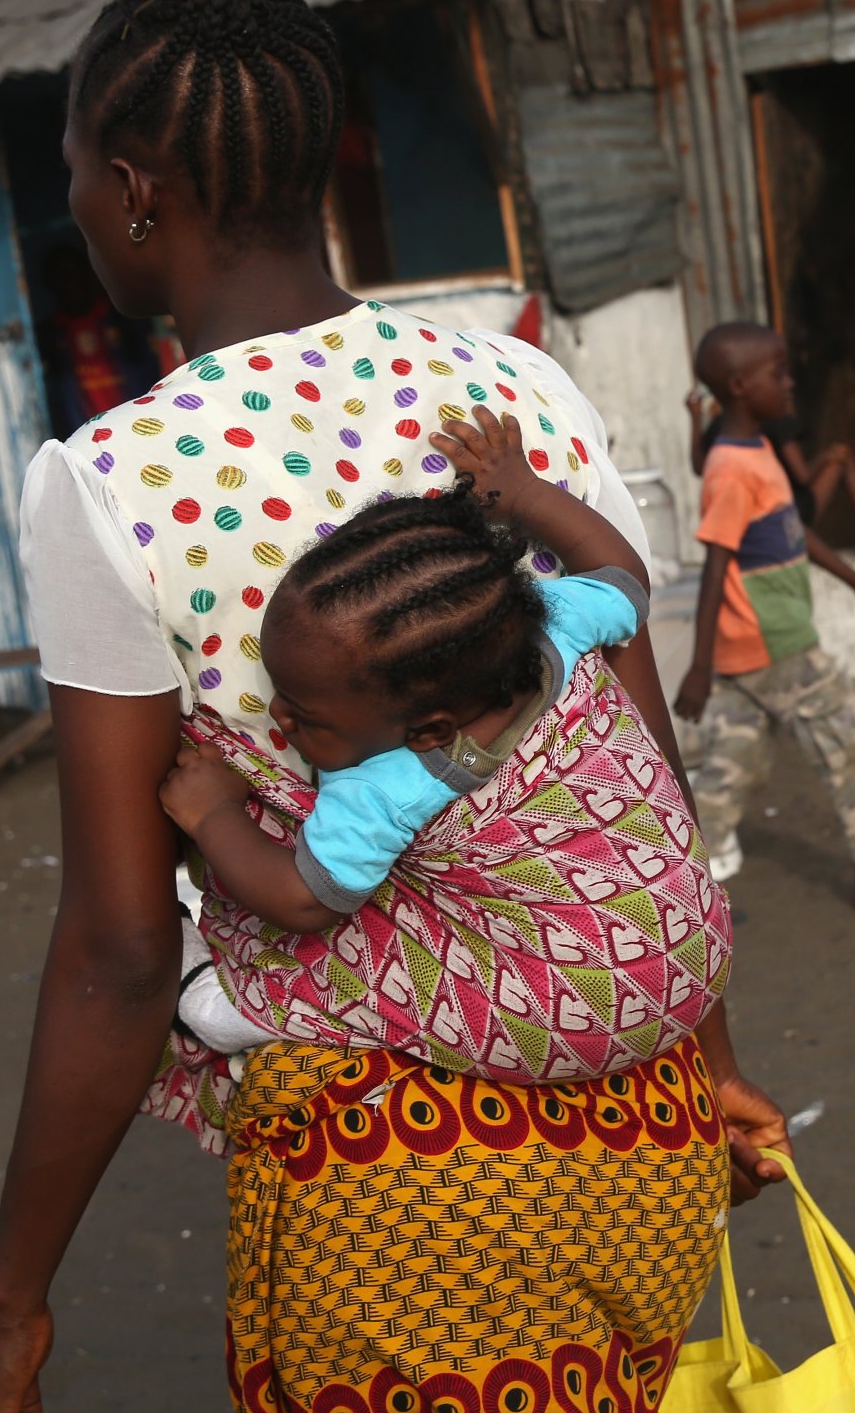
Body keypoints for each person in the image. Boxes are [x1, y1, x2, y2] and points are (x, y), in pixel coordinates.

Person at [0, 0, 788, 1413]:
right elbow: (631, 780)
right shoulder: (512, 391)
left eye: (74, 171)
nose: (77, 204)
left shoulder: (106, 486)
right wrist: (707, 1049)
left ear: (135, 186)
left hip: (398, 1178)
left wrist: (13, 1305)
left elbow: (125, 948)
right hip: (637, 1117)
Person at [157, 407, 731, 1080]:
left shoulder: (391, 785)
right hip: (694, 939)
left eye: (305, 716)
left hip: (580, 1018)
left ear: (429, 730)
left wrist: (213, 813)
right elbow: (625, 579)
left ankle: (236, 1006)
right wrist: (524, 493)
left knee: (351, 934)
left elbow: (301, 899)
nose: (278, 715)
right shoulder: (560, 627)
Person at [675, 323, 855, 914]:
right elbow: (716, 562)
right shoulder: (730, 467)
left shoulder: (758, 452)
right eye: (777, 373)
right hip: (776, 642)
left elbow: (793, 531)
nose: (790, 381)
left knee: (732, 767)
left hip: (750, 645)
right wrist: (698, 666)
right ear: (739, 386)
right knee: (848, 738)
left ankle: (679, 890)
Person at [687, 387, 855, 560]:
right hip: (790, 512)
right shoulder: (778, 420)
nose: (789, 385)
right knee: (843, 459)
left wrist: (695, 418)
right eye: (778, 377)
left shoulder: (723, 425)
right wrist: (828, 455)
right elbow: (804, 475)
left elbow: (699, 467)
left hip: (758, 519)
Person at [38, 244, 160, 434]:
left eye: (75, 274)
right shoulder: (51, 335)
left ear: (88, 276)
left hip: (137, 427)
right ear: (51, 284)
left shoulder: (121, 319)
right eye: (62, 277)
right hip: (89, 438)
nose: (71, 283)